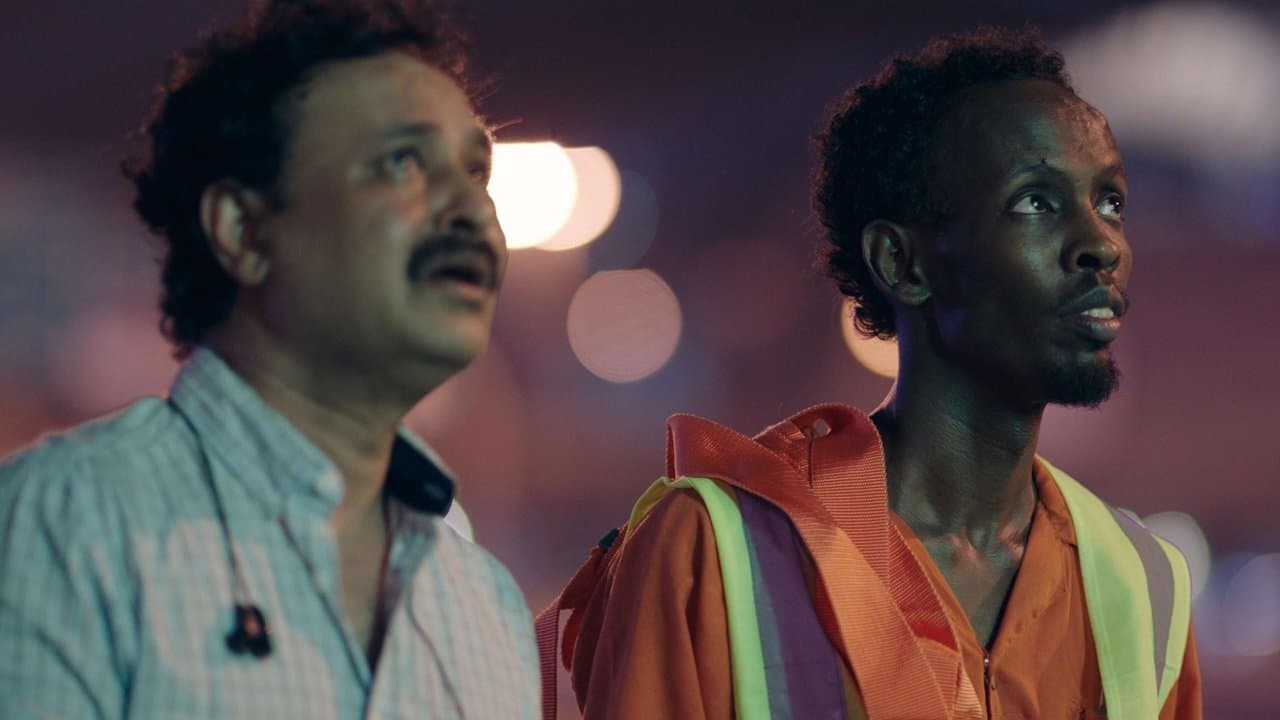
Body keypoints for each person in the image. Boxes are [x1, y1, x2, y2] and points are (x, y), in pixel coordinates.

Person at [541, 28, 1202, 720]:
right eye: (1035, 201)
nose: (1102, 244)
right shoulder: (711, 552)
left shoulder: (1146, 586)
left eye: (1110, 202)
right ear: (901, 263)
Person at [0, 1, 539, 717]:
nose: (473, 212)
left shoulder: (486, 608)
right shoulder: (66, 526)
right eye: (402, 162)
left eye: (476, 172)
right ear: (244, 231)